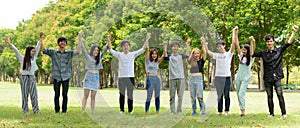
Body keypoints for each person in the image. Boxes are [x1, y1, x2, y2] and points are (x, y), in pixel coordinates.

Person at [252, 25, 298, 118]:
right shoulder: (263, 53)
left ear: (273, 41)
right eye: (268, 41)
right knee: (269, 96)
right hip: (268, 78)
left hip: (277, 76)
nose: (269, 43)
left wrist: (293, 32)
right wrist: (252, 42)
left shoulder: (279, 50)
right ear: (266, 43)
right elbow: (252, 53)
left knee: (280, 94)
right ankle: (271, 113)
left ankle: (284, 113)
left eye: (271, 41)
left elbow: (288, 42)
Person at [107, 34, 149, 114]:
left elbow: (143, 49)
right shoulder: (119, 55)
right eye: (124, 46)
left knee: (130, 94)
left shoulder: (132, 54)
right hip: (122, 77)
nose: (126, 47)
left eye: (127, 45)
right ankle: (121, 110)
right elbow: (111, 50)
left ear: (129, 46)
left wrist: (147, 39)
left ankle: (130, 110)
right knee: (121, 94)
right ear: (122, 47)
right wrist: (109, 40)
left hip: (130, 77)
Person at [4, 32, 43, 114]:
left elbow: (38, 47)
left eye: (34, 52)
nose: (33, 53)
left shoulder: (34, 58)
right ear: (28, 51)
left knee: (34, 94)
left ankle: (36, 110)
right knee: (25, 95)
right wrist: (9, 43)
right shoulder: (22, 58)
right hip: (24, 77)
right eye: (32, 51)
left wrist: (40, 38)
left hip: (32, 77)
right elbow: (16, 50)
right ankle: (25, 110)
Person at [40, 34, 81, 113]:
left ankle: (64, 110)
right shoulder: (53, 52)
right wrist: (41, 38)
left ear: (66, 43)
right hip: (56, 76)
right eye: (61, 41)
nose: (62, 43)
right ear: (58, 43)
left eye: (64, 41)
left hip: (66, 76)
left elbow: (78, 51)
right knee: (57, 94)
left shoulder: (69, 53)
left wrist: (79, 39)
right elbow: (42, 50)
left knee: (65, 94)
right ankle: (57, 110)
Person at [207, 27, 236, 116]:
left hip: (226, 77)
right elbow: (208, 52)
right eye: (218, 47)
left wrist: (234, 33)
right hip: (218, 77)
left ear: (224, 46)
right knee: (219, 95)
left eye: (221, 46)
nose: (219, 48)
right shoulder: (216, 55)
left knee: (226, 94)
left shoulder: (228, 54)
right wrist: (203, 43)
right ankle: (220, 111)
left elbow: (233, 44)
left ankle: (226, 111)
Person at [79, 33, 108, 114]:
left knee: (93, 96)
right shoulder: (88, 57)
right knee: (86, 95)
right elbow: (83, 48)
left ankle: (92, 111)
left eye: (97, 50)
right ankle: (83, 110)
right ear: (92, 51)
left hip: (96, 77)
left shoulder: (99, 58)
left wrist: (108, 40)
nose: (96, 52)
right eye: (95, 50)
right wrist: (80, 38)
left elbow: (106, 49)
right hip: (89, 76)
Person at [164, 39, 190, 115]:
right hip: (172, 78)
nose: (175, 48)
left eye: (176, 47)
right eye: (173, 47)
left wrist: (187, 44)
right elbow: (165, 56)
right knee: (172, 96)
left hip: (180, 78)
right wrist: (165, 45)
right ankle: (172, 111)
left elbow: (187, 54)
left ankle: (179, 110)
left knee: (180, 96)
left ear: (178, 48)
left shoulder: (181, 56)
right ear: (171, 48)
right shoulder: (169, 56)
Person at [234, 27, 256, 117]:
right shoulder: (241, 56)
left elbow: (253, 49)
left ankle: (243, 111)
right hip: (238, 77)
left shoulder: (250, 58)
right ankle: (241, 109)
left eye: (245, 49)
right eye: (243, 49)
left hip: (245, 78)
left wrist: (252, 41)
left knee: (241, 93)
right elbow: (237, 44)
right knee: (238, 94)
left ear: (248, 50)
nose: (243, 50)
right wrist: (236, 33)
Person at [144, 40, 168, 114]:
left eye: (155, 54)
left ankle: (157, 110)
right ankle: (146, 110)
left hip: (156, 79)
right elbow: (147, 49)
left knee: (157, 96)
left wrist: (165, 46)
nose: (154, 55)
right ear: (151, 55)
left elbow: (164, 55)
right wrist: (147, 40)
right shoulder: (148, 61)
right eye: (153, 54)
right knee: (149, 96)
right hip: (149, 78)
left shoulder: (157, 62)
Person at [188, 37, 207, 116]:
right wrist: (188, 45)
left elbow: (205, 53)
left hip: (199, 79)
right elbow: (187, 54)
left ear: (199, 54)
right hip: (192, 79)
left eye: (198, 53)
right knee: (193, 97)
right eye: (195, 53)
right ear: (193, 54)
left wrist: (203, 43)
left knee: (199, 96)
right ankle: (194, 111)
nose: (196, 54)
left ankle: (203, 111)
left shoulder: (201, 61)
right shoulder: (191, 61)